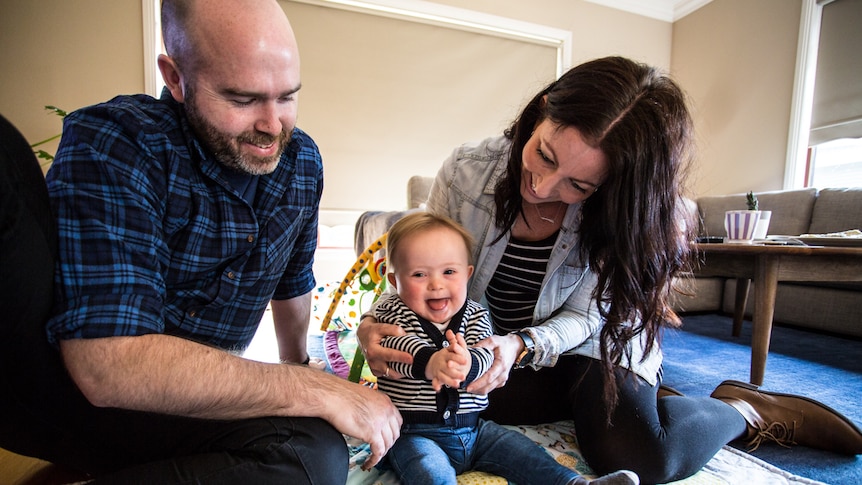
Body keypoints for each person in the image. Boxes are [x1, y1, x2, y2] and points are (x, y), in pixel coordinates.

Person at [357, 56, 862, 484]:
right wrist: (378, 328)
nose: (542, 186)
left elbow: (587, 317)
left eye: (578, 185)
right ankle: (625, 401)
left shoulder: (623, 215)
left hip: (585, 342)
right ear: (542, 110)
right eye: (544, 154)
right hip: (494, 349)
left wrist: (521, 345)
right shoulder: (467, 172)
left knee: (639, 456)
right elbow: (419, 270)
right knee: (453, 408)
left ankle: (742, 410)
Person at [4, 0, 403, 482]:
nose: (273, 126)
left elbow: (293, 281)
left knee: (313, 453)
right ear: (175, 77)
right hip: (77, 400)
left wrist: (302, 369)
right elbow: (106, 366)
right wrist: (307, 389)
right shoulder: (119, 142)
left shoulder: (301, 163)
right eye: (242, 100)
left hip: (197, 408)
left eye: (288, 96)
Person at [374, 212, 639, 485]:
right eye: (419, 274)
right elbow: (393, 346)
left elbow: (486, 351)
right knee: (428, 472)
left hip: (475, 431)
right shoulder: (393, 312)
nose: (436, 283)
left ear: (466, 275)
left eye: (449, 272)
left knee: (521, 450)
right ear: (395, 283)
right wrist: (430, 362)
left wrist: (470, 363)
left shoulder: (475, 314)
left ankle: (574, 483)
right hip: (415, 434)